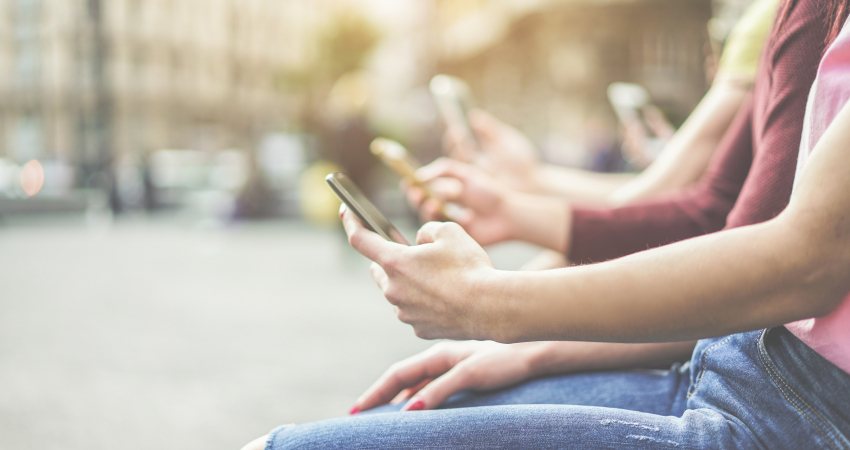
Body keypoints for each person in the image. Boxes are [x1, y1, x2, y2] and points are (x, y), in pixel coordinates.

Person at [244, 0, 850, 448]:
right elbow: (737, 226)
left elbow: (779, 251)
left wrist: (498, 305)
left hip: (790, 407)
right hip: (741, 368)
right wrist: (521, 320)